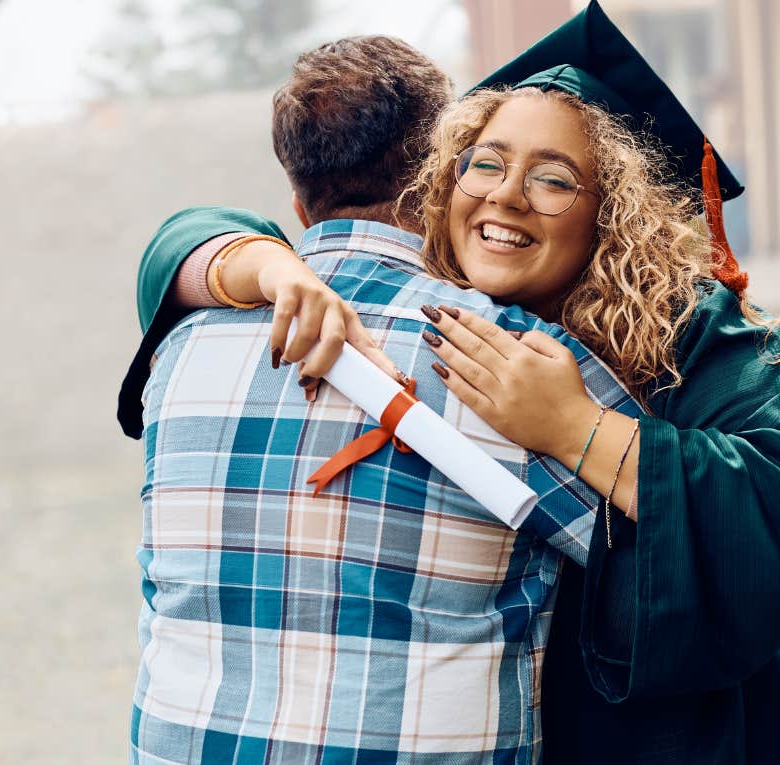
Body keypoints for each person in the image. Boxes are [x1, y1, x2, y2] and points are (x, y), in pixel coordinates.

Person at [124, 4, 780, 761]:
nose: (506, 194)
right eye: (485, 161)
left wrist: (579, 429)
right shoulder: (430, 305)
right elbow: (183, 245)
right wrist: (270, 264)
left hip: (672, 730)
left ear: (613, 213)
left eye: (554, 179)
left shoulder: (689, 327)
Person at [130, 35, 646, 763]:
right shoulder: (507, 356)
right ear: (441, 171)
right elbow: (670, 548)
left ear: (297, 203)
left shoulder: (180, 347)